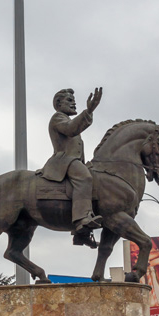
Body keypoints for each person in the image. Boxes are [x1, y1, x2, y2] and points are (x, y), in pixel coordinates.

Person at [39, 87, 103, 245]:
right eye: (69, 100)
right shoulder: (58, 118)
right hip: (64, 161)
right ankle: (82, 219)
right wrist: (88, 110)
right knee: (85, 178)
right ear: (58, 104)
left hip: (73, 161)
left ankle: (81, 235)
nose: (74, 103)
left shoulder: (65, 119)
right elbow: (71, 129)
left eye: (74, 101)